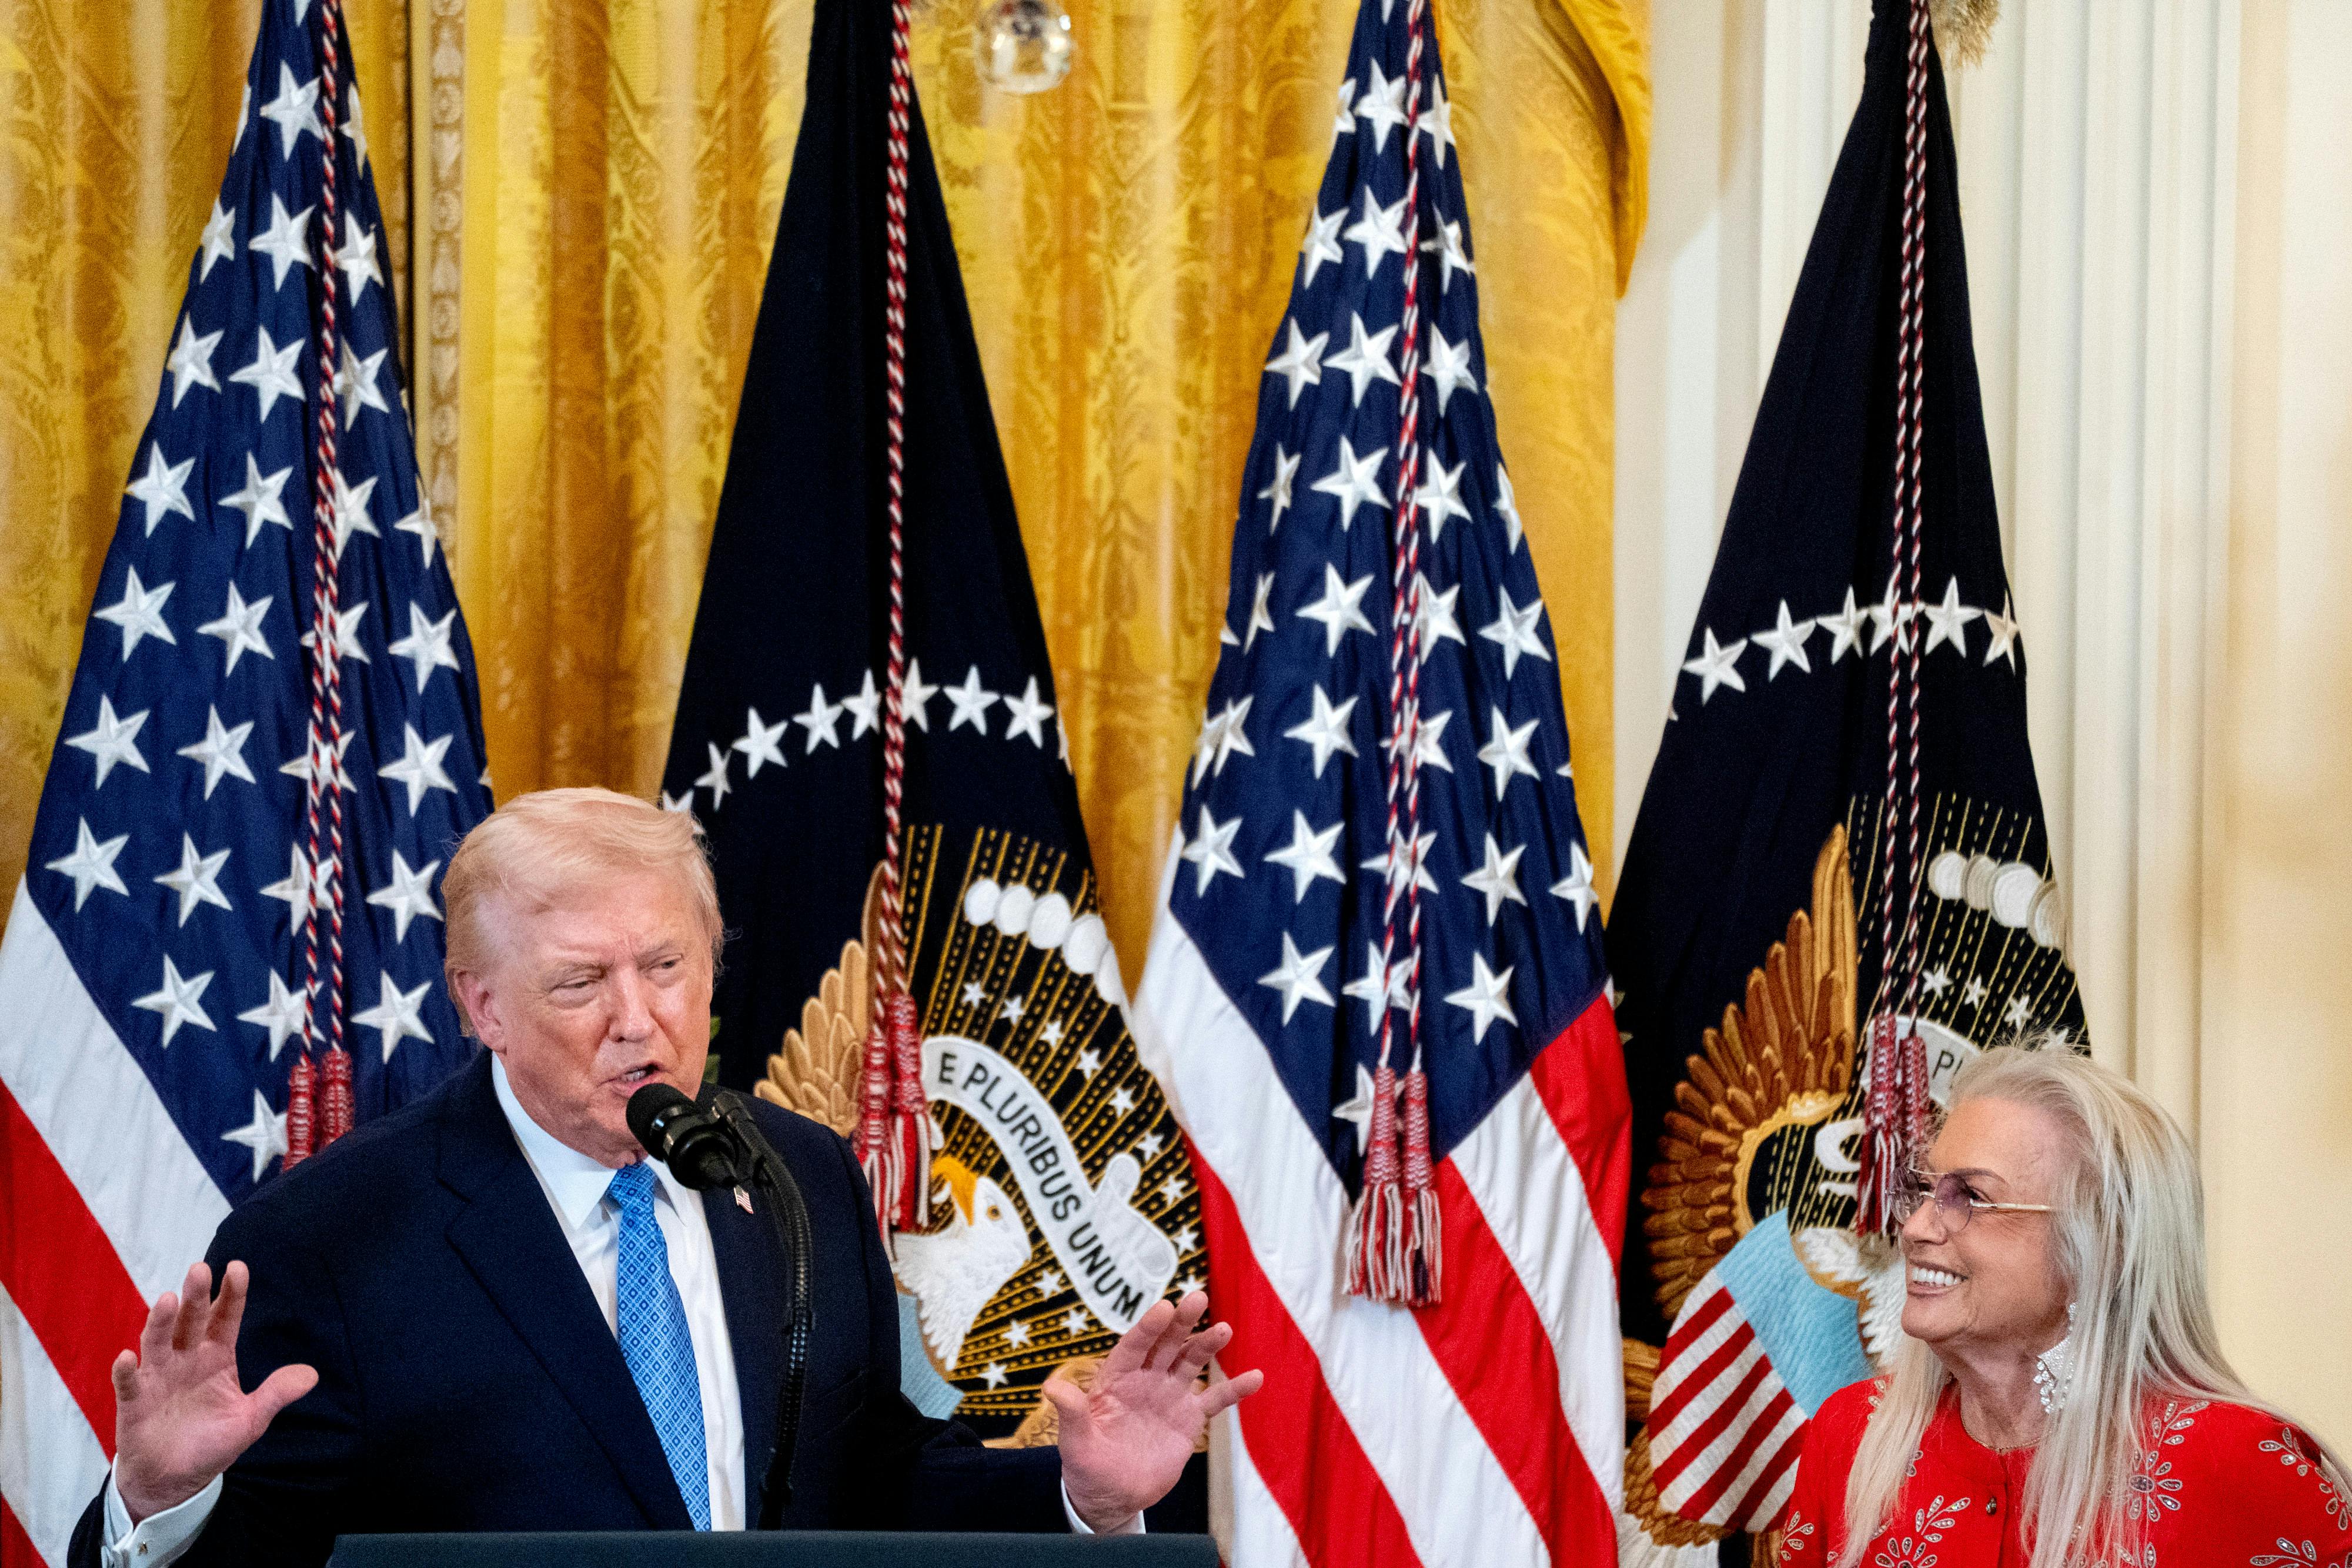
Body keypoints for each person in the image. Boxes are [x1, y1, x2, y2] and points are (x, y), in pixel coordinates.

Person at [72, 787, 1261, 1568]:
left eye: (666, 965)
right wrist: (158, 1502)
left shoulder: (796, 1176)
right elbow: (262, 1555)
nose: (639, 1021)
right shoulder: (330, 1238)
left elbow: (865, 1482)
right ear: (481, 1005)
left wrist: (1084, 1495)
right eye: (581, 983)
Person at [1779, 1044, 2348, 1567]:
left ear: (2102, 1243)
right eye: (1927, 1190)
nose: (1917, 1226)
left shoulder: (2234, 1462)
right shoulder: (1852, 1432)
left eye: (1971, 1197)